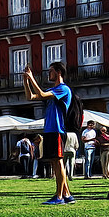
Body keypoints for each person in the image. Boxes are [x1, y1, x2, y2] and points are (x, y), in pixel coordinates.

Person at [22, 62, 74, 205]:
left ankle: (59, 197)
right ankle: (67, 195)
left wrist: (32, 78)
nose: (48, 74)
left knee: (59, 162)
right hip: (50, 130)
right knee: (55, 162)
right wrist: (26, 81)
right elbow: (30, 97)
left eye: (50, 71)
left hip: (57, 129)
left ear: (58, 72)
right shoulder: (55, 90)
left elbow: (42, 94)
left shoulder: (63, 89)